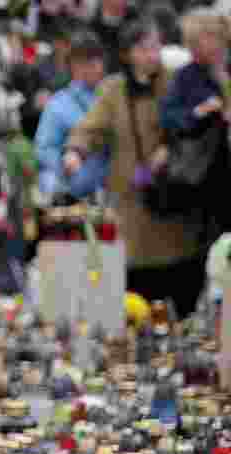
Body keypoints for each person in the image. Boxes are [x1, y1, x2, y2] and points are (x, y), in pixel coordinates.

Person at [64, 19, 204, 318]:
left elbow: (198, 121)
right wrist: (76, 151)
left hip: (176, 200)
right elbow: (91, 127)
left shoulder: (178, 81)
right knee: (137, 299)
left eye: (156, 46)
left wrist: (172, 146)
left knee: (182, 286)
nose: (152, 54)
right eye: (144, 47)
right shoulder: (113, 90)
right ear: (128, 53)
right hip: (134, 205)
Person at [160, 7, 231, 245]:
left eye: (216, 38)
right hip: (202, 173)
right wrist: (198, 112)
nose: (212, 45)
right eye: (204, 39)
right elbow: (169, 118)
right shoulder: (185, 77)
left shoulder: (225, 72)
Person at [35, 28, 108, 202]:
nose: (97, 66)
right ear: (74, 65)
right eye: (89, 61)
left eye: (99, 59)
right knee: (49, 183)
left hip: (112, 183)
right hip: (73, 186)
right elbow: (44, 148)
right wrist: (64, 164)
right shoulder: (58, 104)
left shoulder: (114, 95)